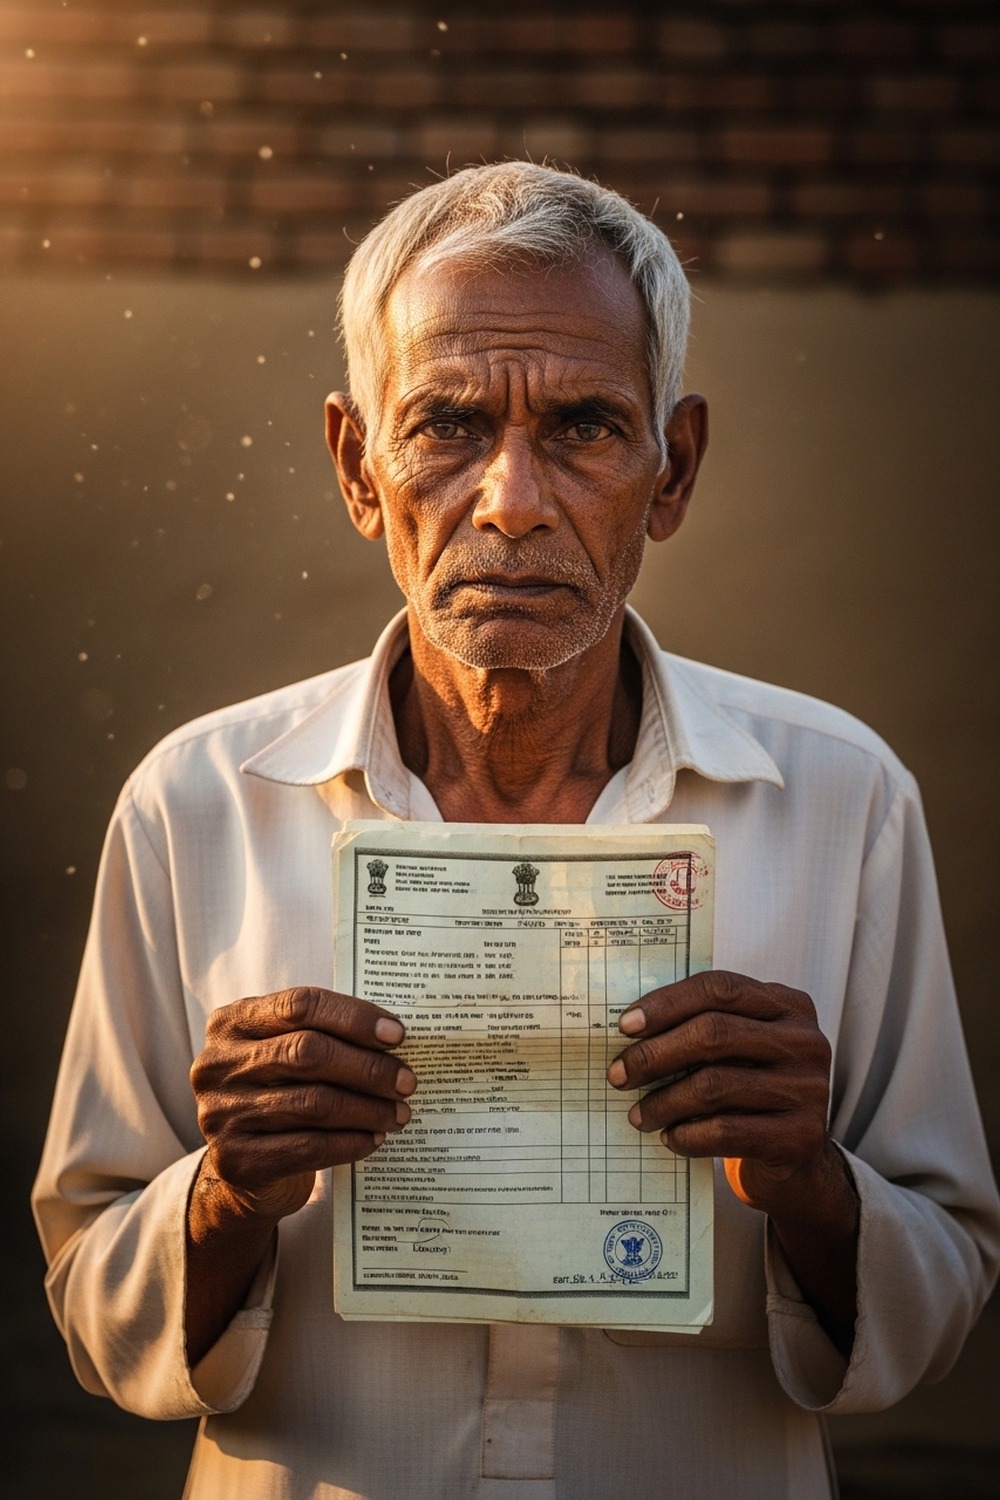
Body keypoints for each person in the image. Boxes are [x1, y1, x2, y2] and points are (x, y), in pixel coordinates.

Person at [34, 162, 999, 1500]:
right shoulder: (200, 802)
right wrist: (226, 1196)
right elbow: (91, 1303)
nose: (511, 501)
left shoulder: (839, 801)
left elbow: (943, 1298)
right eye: (445, 424)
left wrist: (811, 1180)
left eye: (587, 427)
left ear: (675, 470)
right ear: (357, 468)